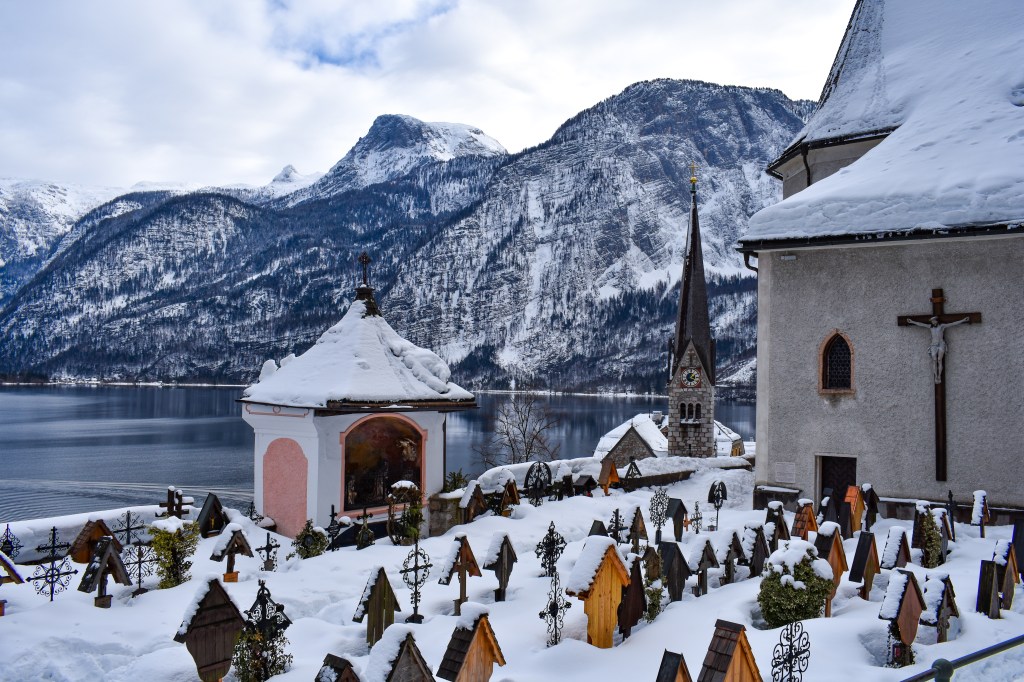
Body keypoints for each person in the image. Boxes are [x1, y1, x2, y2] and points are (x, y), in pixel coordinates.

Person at [906, 316, 969, 384]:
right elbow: (921, 324)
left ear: (936, 321)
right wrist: (912, 321)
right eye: (932, 321)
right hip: (933, 345)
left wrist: (963, 320)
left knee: (939, 360)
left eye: (934, 321)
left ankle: (939, 376)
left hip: (941, 344)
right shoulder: (930, 327)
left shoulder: (942, 326)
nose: (933, 322)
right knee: (934, 360)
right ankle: (936, 376)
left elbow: (952, 324)